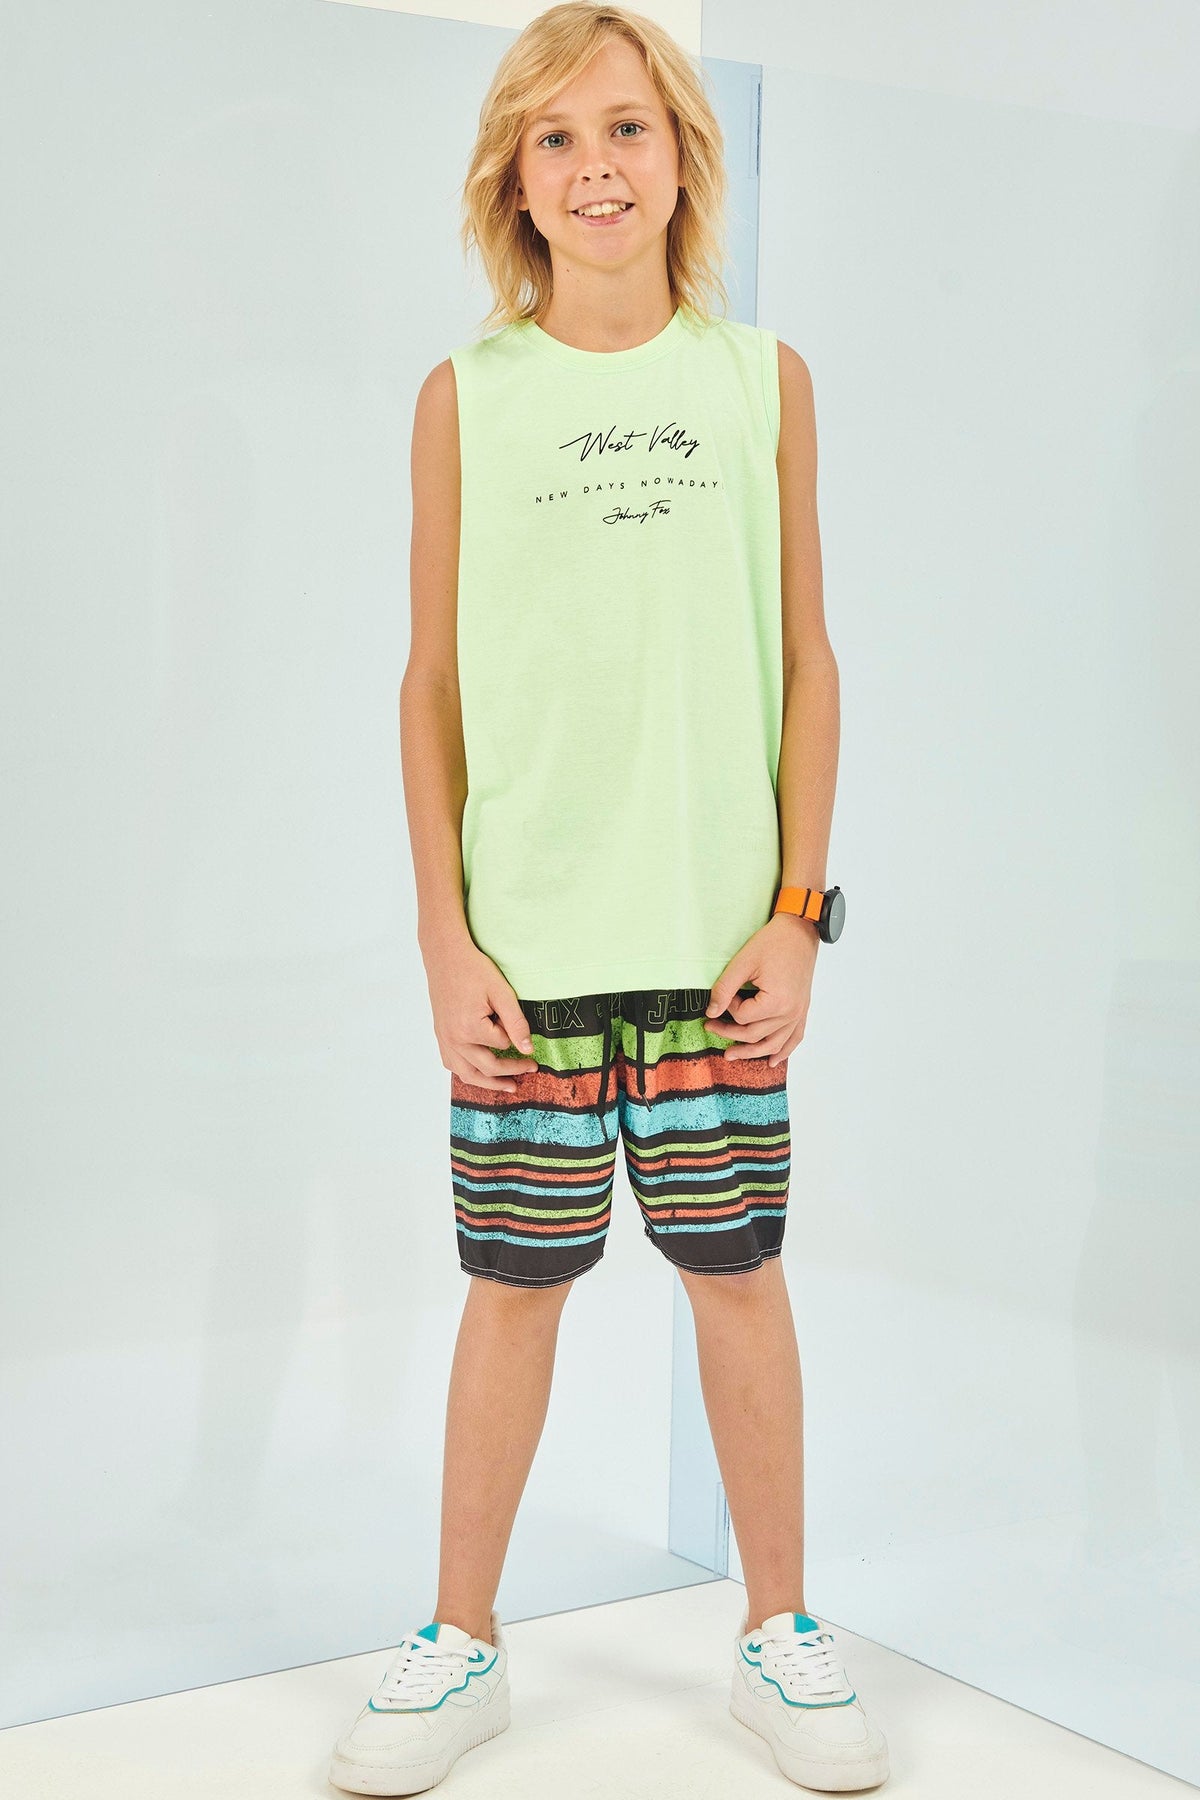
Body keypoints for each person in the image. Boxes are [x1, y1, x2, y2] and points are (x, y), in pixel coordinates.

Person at [329, 4, 888, 1793]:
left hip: (723, 956)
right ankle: (461, 1639)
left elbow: (807, 661)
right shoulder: (466, 399)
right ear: (515, 179)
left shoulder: (763, 382)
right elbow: (430, 684)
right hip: (529, 960)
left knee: (738, 1276)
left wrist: (797, 908)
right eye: (557, 138)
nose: (596, 167)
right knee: (513, 1288)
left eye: (629, 128)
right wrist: (445, 937)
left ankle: (780, 1631)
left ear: (683, 158)